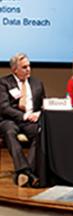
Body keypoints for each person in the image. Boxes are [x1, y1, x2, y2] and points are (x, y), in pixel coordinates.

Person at [0, 53, 46, 187]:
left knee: (40, 132)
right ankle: (26, 171)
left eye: (29, 66)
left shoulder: (37, 83)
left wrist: (38, 114)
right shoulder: (4, 83)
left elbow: (44, 104)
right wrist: (23, 116)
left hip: (31, 121)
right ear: (15, 69)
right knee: (9, 132)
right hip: (10, 120)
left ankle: (25, 171)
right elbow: (3, 108)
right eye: (24, 67)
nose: (28, 69)